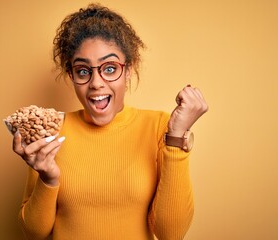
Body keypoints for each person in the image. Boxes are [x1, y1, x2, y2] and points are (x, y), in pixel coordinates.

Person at [12, 3, 208, 240]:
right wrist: (48, 178)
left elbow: (171, 234)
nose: (96, 83)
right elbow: (33, 233)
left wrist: (177, 137)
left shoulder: (160, 127)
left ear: (128, 70)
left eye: (110, 68)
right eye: (83, 71)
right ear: (72, 75)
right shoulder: (52, 129)